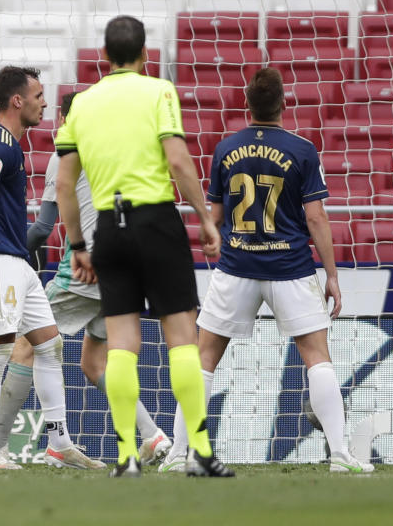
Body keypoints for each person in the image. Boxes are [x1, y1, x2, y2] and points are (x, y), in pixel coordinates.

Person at [160, 68, 374, 474]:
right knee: (317, 357)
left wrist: (218, 237)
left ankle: (178, 454)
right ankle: (341, 456)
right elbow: (316, 219)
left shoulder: (225, 148)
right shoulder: (302, 150)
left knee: (204, 359)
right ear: (283, 103)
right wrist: (331, 274)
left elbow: (217, 215)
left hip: (237, 266)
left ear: (247, 104)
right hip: (290, 268)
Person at [55, 16, 233, 478]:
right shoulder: (159, 91)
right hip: (155, 219)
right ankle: (197, 453)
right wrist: (205, 217)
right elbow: (177, 159)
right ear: (146, 54)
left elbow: (64, 183)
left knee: (120, 346)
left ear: (104, 57)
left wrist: (78, 245)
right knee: (181, 340)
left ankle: (126, 458)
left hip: (108, 232)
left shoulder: (83, 104)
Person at [0, 92, 170, 468]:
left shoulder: (64, 155)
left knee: (26, 344)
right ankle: (153, 435)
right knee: (96, 364)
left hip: (87, 269)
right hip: (128, 266)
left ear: (63, 117)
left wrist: (4, 252)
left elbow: (42, 228)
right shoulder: (116, 153)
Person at [0, 66, 99, 471]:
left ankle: (59, 443)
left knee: (49, 345)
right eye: (38, 95)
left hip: (17, 261)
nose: (44, 102)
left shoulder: (12, 146)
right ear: (18, 100)